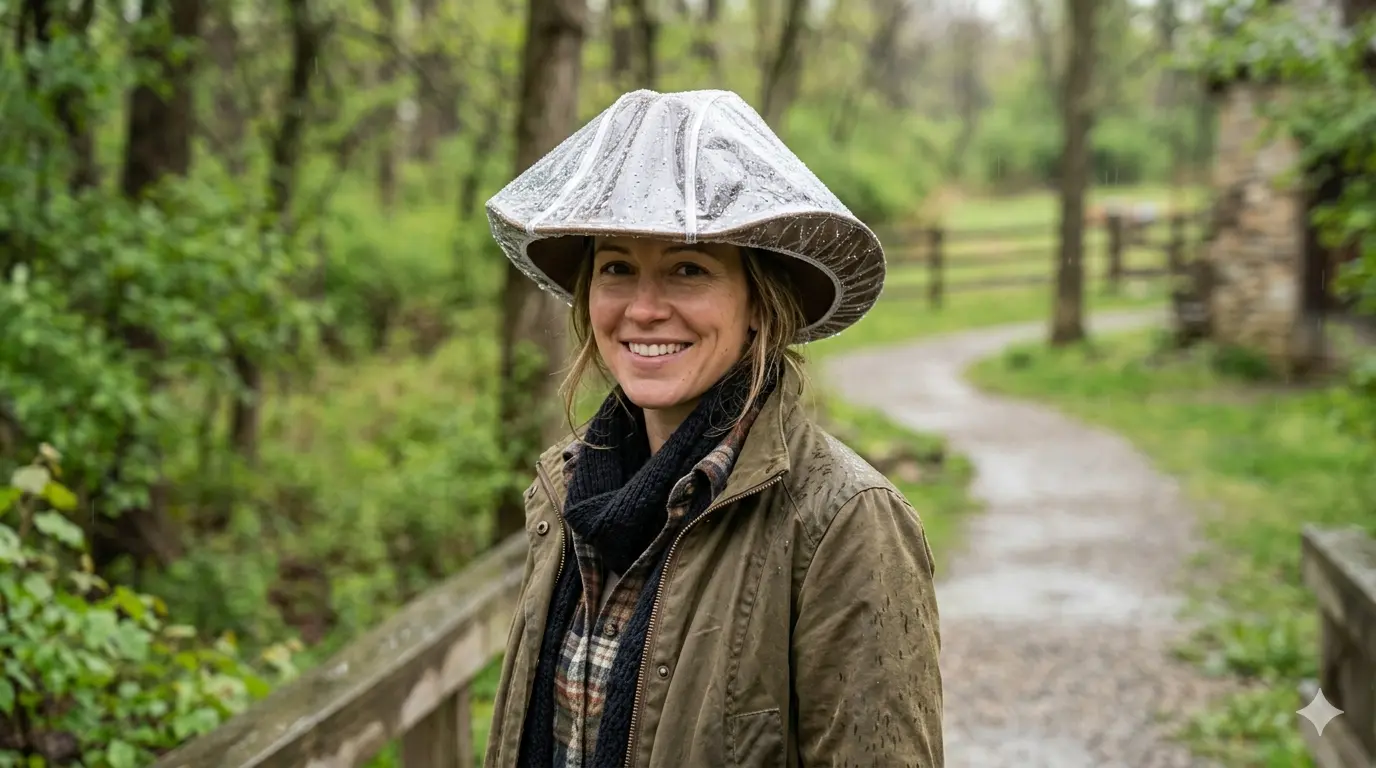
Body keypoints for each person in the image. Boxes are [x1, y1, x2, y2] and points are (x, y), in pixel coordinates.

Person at [481, 89, 943, 768]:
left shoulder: (844, 523)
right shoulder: (567, 496)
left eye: (687, 270)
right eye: (617, 269)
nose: (643, 308)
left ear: (759, 301)